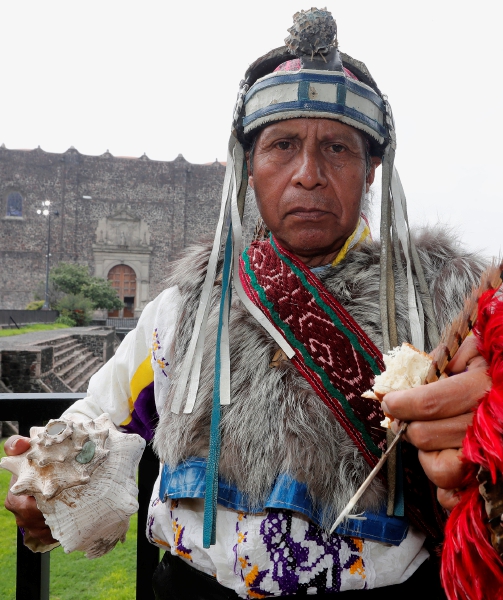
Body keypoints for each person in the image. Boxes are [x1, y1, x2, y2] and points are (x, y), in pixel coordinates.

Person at [4, 8, 491, 599]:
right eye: (281, 145)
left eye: (337, 148)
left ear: (371, 170)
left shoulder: (452, 304)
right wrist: (54, 488)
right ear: (247, 167)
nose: (307, 174)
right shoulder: (184, 308)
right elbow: (98, 418)